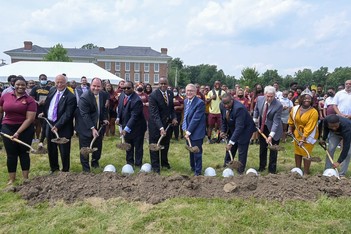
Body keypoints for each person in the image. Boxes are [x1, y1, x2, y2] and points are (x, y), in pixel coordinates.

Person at [0, 76, 37, 184]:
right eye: (18, 84)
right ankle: (12, 179)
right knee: (11, 154)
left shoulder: (30, 100)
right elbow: (1, 111)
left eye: (22, 85)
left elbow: (30, 119)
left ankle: (25, 178)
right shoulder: (5, 96)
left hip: (25, 129)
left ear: (26, 86)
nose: (20, 86)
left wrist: (18, 132)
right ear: (14, 85)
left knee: (24, 153)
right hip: (7, 127)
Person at [41, 74, 77, 173]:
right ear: (54, 82)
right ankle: (54, 168)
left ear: (66, 83)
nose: (59, 84)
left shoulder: (71, 97)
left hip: (63, 127)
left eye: (62, 82)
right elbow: (48, 105)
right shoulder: (52, 91)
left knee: (64, 151)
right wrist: (44, 113)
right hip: (50, 124)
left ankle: (65, 170)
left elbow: (68, 114)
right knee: (51, 148)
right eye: (57, 82)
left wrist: (58, 125)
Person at [76, 78, 109, 172]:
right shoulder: (85, 97)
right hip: (85, 127)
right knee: (85, 148)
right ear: (90, 86)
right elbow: (85, 115)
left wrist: (104, 118)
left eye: (98, 86)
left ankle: (95, 163)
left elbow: (103, 108)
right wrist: (92, 128)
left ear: (101, 87)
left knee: (97, 147)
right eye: (94, 86)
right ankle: (86, 169)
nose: (96, 88)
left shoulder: (103, 94)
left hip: (98, 125)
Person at [220, 93, 256, 174]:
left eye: (228, 103)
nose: (225, 106)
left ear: (232, 100)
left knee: (241, 149)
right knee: (230, 149)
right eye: (224, 103)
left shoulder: (239, 108)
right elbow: (223, 119)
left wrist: (231, 142)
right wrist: (223, 130)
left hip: (245, 130)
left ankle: (240, 170)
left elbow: (239, 127)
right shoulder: (222, 105)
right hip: (233, 128)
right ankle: (227, 167)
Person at [148, 77, 177, 174]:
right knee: (155, 145)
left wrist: (174, 118)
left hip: (167, 124)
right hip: (155, 125)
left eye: (165, 83)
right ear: (158, 84)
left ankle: (164, 163)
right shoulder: (153, 96)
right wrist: (161, 128)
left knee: (165, 145)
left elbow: (172, 108)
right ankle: (155, 167)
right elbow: (155, 114)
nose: (163, 85)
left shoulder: (170, 93)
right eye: (161, 83)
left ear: (167, 84)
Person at [287, 89, 319, 174]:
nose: (307, 100)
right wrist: (290, 129)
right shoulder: (295, 109)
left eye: (309, 98)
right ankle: (298, 170)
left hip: (309, 135)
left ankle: (306, 172)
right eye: (305, 98)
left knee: (305, 152)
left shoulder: (314, 112)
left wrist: (303, 139)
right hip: (297, 133)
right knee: (297, 151)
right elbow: (291, 120)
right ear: (301, 99)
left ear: (312, 100)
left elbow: (309, 127)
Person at [253, 85, 283, 174]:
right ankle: (262, 167)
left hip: (274, 129)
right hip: (263, 127)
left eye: (271, 96)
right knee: (262, 148)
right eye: (268, 96)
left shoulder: (278, 105)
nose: (269, 98)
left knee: (273, 149)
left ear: (274, 95)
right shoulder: (259, 99)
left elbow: (276, 122)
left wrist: (271, 136)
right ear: (265, 94)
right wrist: (255, 120)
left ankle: (272, 170)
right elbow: (256, 110)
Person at [116, 81, 147, 167]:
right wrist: (118, 118)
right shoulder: (122, 95)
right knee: (128, 146)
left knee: (138, 147)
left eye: (128, 88)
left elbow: (134, 117)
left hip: (138, 127)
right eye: (124, 88)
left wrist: (126, 129)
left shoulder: (137, 100)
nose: (126, 90)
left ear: (133, 88)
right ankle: (129, 163)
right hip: (126, 124)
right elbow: (120, 107)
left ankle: (138, 164)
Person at [182, 84, 206, 176]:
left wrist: (188, 131)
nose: (189, 92)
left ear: (195, 92)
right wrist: (185, 128)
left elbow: (196, 119)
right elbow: (187, 115)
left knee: (197, 152)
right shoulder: (185, 101)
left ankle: (198, 171)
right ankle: (193, 167)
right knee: (191, 150)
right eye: (187, 90)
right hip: (188, 130)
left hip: (196, 132)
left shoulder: (200, 103)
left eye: (191, 91)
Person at [331, 79, 351, 176]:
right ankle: (329, 170)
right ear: (344, 85)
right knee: (332, 146)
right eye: (346, 84)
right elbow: (334, 105)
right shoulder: (339, 93)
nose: (348, 85)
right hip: (338, 120)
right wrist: (340, 114)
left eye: (350, 84)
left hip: (350, 121)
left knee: (347, 147)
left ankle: (342, 173)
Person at [30, 74, 51, 145]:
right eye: (42, 79)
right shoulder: (35, 88)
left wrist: (46, 102)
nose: (43, 80)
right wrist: (37, 102)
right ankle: (33, 138)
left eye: (45, 79)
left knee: (43, 124)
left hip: (45, 109)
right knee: (34, 123)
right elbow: (31, 98)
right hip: (36, 108)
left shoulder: (50, 88)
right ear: (39, 80)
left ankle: (40, 138)